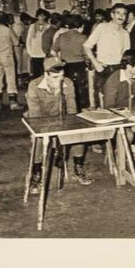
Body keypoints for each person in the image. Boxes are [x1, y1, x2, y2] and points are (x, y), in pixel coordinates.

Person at [25, 55, 89, 185]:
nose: (60, 81)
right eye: (55, 78)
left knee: (79, 132)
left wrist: (68, 127)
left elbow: (72, 111)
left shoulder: (68, 83)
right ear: (46, 74)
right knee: (38, 139)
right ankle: (36, 173)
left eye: (62, 76)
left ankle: (78, 167)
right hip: (41, 120)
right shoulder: (34, 86)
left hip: (63, 119)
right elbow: (35, 116)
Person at [85, 4, 131, 103]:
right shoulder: (102, 27)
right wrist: (96, 64)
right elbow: (87, 46)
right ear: (112, 15)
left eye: (124, 14)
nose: (121, 16)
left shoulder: (125, 33)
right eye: (118, 13)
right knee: (102, 101)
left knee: (118, 99)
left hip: (118, 69)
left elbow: (126, 54)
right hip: (104, 69)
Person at [0, 12, 21, 110]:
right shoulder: (7, 30)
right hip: (7, 56)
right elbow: (16, 42)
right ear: (5, 20)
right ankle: (13, 103)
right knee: (10, 79)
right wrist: (11, 28)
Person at [25, 10, 52, 80]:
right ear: (37, 16)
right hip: (34, 53)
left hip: (44, 53)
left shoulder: (48, 26)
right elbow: (28, 40)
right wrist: (30, 52)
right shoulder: (32, 26)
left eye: (43, 15)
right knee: (36, 74)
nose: (42, 17)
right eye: (40, 15)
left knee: (46, 73)